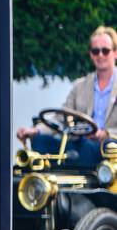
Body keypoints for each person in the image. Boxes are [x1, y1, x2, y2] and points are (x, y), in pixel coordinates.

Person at [16, 25, 117, 164]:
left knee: (98, 147)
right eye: (95, 51)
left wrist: (105, 135)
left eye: (105, 51)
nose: (100, 55)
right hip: (80, 145)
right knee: (40, 141)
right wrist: (35, 131)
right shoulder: (80, 85)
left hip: (108, 150)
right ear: (91, 54)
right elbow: (60, 118)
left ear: (115, 53)